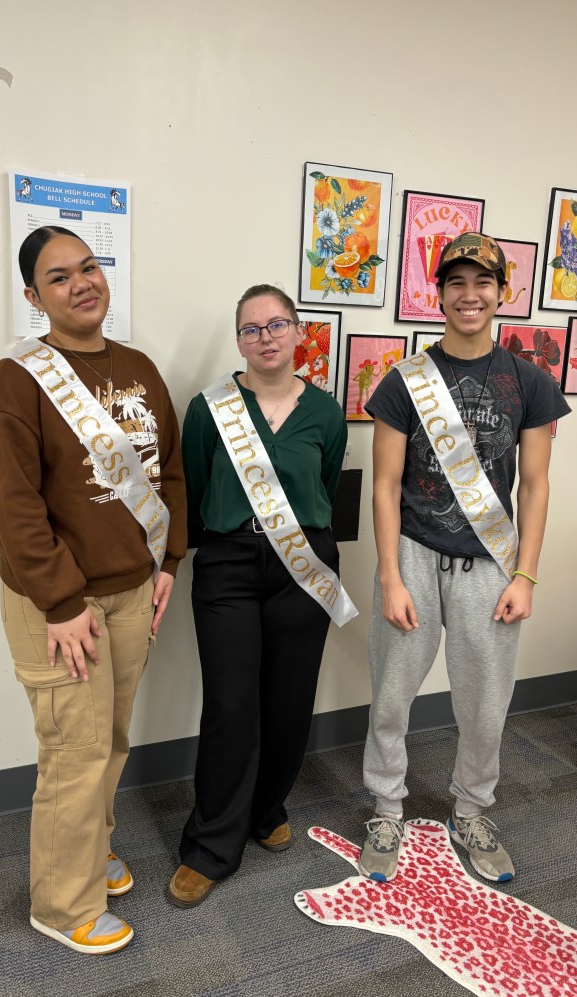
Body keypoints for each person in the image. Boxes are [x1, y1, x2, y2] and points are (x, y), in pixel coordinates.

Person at [0, 226, 187, 953]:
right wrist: (62, 602)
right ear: (35, 297)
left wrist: (169, 560)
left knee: (111, 739)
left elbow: (169, 472)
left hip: (133, 590)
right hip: (59, 605)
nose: (81, 283)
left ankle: (90, 853)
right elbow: (13, 504)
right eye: (59, 277)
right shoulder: (19, 380)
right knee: (74, 750)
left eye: (88, 267)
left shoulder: (139, 367)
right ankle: (63, 905)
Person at [359, 233, 571, 884]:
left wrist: (526, 574)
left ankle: (472, 811)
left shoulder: (530, 382)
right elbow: (384, 485)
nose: (469, 295)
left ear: (502, 292)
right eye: (456, 282)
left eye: (482, 282)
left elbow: (534, 486)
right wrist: (390, 576)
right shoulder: (405, 381)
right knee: (392, 696)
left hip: (491, 563)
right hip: (414, 555)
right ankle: (386, 809)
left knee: (485, 704)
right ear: (439, 295)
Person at [168, 284, 349, 908]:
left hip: (304, 564)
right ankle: (210, 847)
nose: (265, 337)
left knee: (289, 700)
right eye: (252, 328)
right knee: (231, 705)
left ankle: (267, 808)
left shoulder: (326, 413)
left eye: (276, 325)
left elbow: (326, 484)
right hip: (228, 563)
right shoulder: (208, 409)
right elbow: (194, 485)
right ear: (239, 340)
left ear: (298, 332)